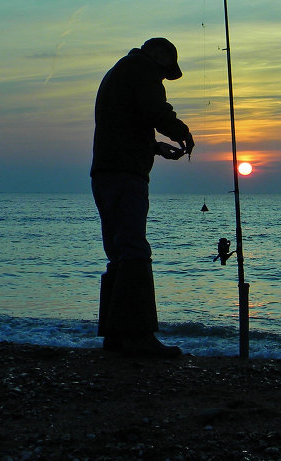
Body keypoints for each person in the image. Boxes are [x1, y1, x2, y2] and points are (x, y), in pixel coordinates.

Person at [91, 37, 195, 358]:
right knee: (134, 250)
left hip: (106, 172)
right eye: (165, 73)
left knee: (119, 252)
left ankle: (116, 336)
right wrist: (182, 132)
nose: (163, 80)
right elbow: (155, 110)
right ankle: (138, 337)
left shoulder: (118, 73)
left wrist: (153, 147)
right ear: (160, 56)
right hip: (125, 174)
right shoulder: (141, 69)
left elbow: (122, 123)